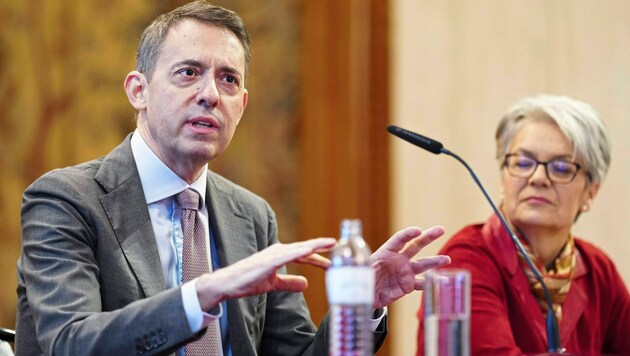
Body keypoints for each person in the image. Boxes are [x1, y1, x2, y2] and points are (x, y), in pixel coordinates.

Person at [15, 1, 451, 355]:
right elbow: (70, 344)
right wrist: (203, 293)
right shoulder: (66, 199)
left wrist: (358, 307)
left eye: (228, 80)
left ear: (241, 105)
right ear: (138, 90)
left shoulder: (252, 215)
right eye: (188, 72)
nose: (209, 94)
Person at [416, 94, 630, 355]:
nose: (538, 178)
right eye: (523, 163)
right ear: (502, 178)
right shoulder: (464, 260)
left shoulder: (598, 271)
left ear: (590, 194)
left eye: (561, 168)